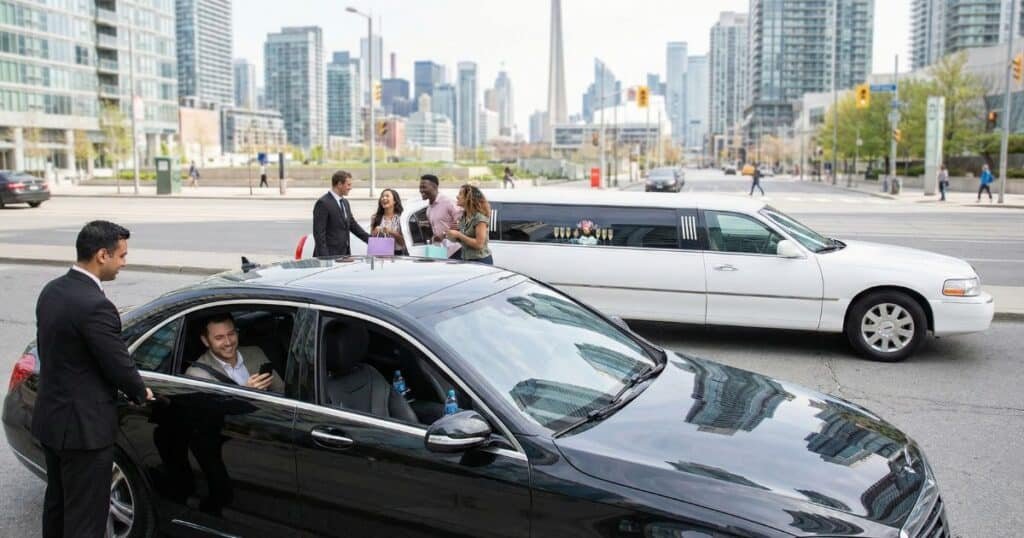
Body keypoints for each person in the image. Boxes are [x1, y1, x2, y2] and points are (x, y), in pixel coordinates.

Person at [32, 220, 154, 538]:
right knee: (85, 517)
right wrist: (142, 392)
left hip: (52, 421)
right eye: (122, 256)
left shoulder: (52, 290)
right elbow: (118, 364)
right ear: (102, 255)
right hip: (85, 432)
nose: (124, 263)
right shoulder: (96, 306)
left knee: (58, 505)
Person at [185, 313, 285, 393]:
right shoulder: (198, 375)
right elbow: (213, 414)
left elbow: (281, 390)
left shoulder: (255, 352)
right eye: (219, 338)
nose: (228, 343)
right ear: (205, 341)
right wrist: (246, 392)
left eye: (231, 334)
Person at [313, 170, 370, 256]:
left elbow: (353, 226)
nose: (350, 188)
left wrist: (373, 241)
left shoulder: (345, 202)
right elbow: (319, 235)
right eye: (348, 185)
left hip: (344, 255)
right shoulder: (323, 203)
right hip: (329, 256)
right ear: (339, 184)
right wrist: (325, 259)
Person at [446, 184, 493, 265]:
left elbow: (479, 244)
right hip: (466, 260)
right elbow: (465, 241)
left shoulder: (479, 218)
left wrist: (459, 235)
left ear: (468, 198)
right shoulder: (464, 217)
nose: (457, 197)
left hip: (480, 261)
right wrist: (451, 235)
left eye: (460, 194)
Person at [419, 173, 462, 244]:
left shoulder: (448, 202)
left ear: (435, 187)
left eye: (424, 187)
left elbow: (461, 224)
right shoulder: (429, 209)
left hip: (455, 250)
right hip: (440, 250)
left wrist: (444, 234)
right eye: (420, 188)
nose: (421, 190)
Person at [370, 188, 407, 255]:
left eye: (387, 196)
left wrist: (391, 232)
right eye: (382, 196)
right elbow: (371, 240)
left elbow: (403, 242)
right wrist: (375, 232)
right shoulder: (375, 217)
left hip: (397, 254)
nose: (384, 198)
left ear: (394, 201)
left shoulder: (401, 218)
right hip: (380, 253)